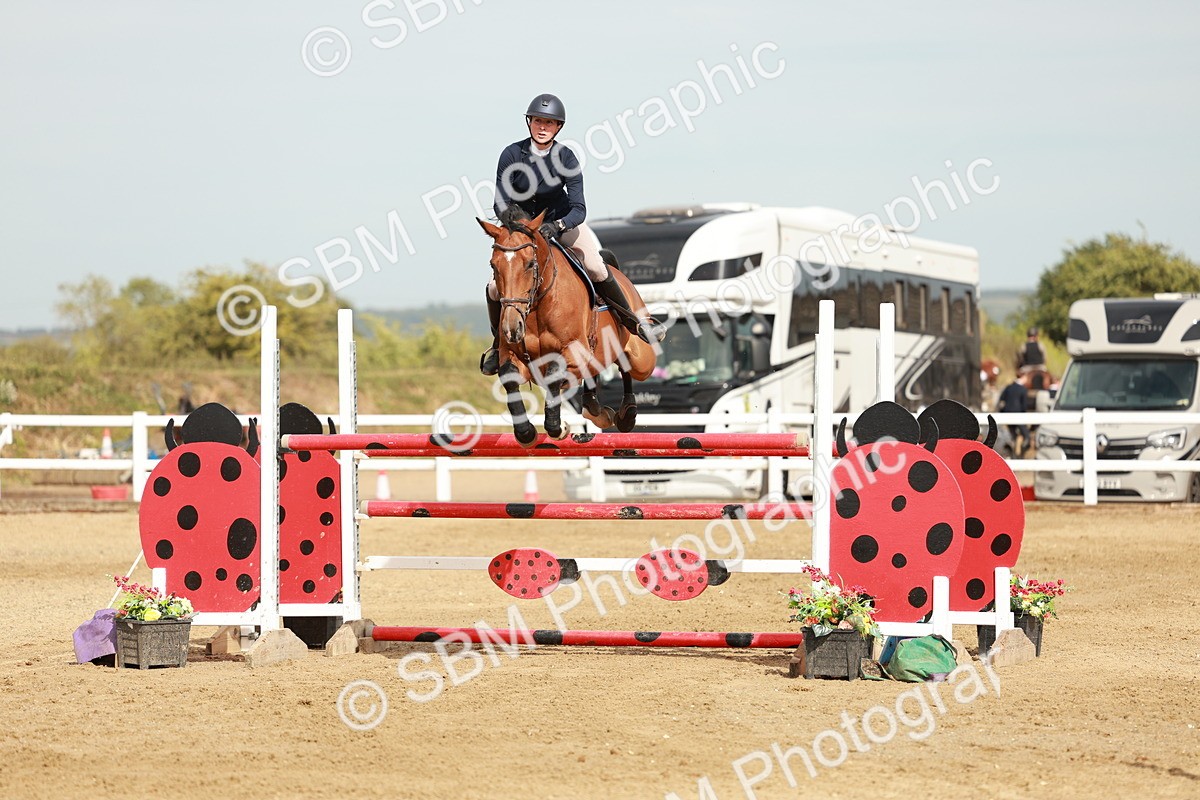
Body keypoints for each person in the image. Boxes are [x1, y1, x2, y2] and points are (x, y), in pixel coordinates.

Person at [479, 93, 660, 376]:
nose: (543, 127)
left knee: (596, 267)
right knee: (493, 287)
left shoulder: (566, 157)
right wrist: (519, 229)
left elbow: (579, 208)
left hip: (562, 223)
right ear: (530, 123)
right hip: (525, 231)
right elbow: (500, 202)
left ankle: (633, 323)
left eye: (549, 123)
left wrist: (559, 226)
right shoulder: (512, 154)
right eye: (538, 121)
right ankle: (497, 344)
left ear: (558, 128)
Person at [997, 373, 1030, 457]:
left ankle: (1013, 455)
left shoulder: (1008, 387)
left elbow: (1001, 400)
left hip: (1008, 415)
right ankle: (1021, 454)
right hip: (1018, 415)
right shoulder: (1023, 389)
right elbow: (1024, 406)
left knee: (1013, 436)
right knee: (1026, 436)